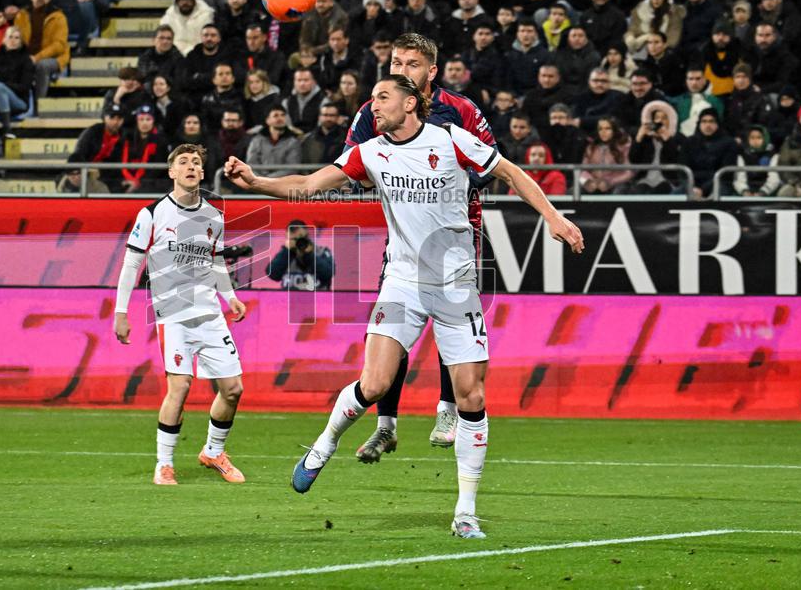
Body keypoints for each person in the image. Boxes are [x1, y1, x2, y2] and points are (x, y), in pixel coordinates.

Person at [224, 74, 584, 538]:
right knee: (374, 383)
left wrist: (553, 217)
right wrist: (255, 181)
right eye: (372, 98)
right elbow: (311, 184)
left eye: (383, 97)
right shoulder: (370, 150)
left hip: (455, 284)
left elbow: (510, 172)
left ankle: (465, 512)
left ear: (411, 103)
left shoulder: (452, 139)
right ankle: (324, 443)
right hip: (402, 283)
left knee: (471, 395)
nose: (373, 106)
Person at [341, 33, 500, 463]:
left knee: (453, 325)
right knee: (394, 329)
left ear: (431, 71)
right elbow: (353, 164)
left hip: (454, 236)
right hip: (404, 238)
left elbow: (490, 163)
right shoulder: (374, 109)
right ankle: (385, 426)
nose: (400, 71)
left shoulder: (461, 111)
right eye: (395, 63)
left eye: (411, 65)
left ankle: (448, 411)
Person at [114, 143, 248, 486]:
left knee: (233, 389)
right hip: (173, 317)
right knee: (181, 386)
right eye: (183, 162)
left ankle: (213, 451)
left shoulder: (214, 217)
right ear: (172, 172)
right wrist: (121, 312)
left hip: (210, 315)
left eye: (197, 162)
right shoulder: (153, 213)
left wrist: (230, 297)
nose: (191, 166)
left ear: (203, 173)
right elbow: (132, 263)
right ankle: (164, 464)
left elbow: (214, 261)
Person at [14, 0, 70, 102]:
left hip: (55, 58)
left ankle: (39, 105)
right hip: (28, 56)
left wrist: (37, 57)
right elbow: (17, 40)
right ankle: (19, 104)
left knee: (42, 65)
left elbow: (59, 46)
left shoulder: (58, 17)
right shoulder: (21, 15)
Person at [266, 219, 335, 290]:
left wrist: (309, 255)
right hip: (289, 299)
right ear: (287, 238)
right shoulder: (285, 255)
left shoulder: (321, 252)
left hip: (317, 299)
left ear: (307, 236)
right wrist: (286, 252)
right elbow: (273, 275)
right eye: (294, 239)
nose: (298, 242)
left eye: (302, 238)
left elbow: (328, 274)